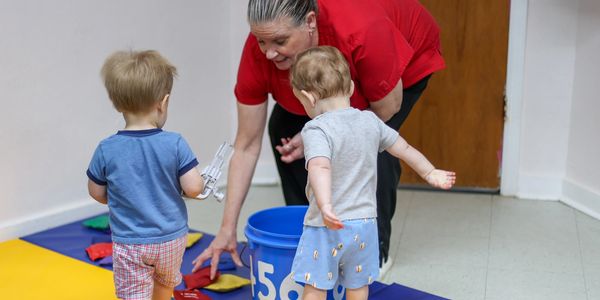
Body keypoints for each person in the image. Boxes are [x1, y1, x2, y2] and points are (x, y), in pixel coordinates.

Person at [193, 0, 446, 279]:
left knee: (368, 143)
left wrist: (324, 130)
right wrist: (227, 230)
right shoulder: (261, 51)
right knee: (284, 128)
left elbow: (386, 110)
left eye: (279, 40)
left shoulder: (360, 30)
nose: (268, 53)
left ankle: (372, 250)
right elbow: (246, 145)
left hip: (398, 65)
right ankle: (311, 232)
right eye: (261, 41)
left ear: (310, 22)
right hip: (327, 83)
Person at [287, 46, 454, 299]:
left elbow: (320, 166)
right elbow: (404, 148)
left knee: (316, 286)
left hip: (327, 225)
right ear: (352, 88)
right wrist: (430, 172)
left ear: (309, 98)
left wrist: (326, 205)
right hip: (365, 224)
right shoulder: (370, 121)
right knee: (358, 287)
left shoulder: (316, 129)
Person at [87, 50, 205, 300]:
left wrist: (123, 198)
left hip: (131, 242)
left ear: (117, 104)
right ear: (162, 103)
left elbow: (96, 192)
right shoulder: (175, 143)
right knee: (164, 286)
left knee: (133, 294)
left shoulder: (106, 148)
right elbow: (194, 187)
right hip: (171, 239)